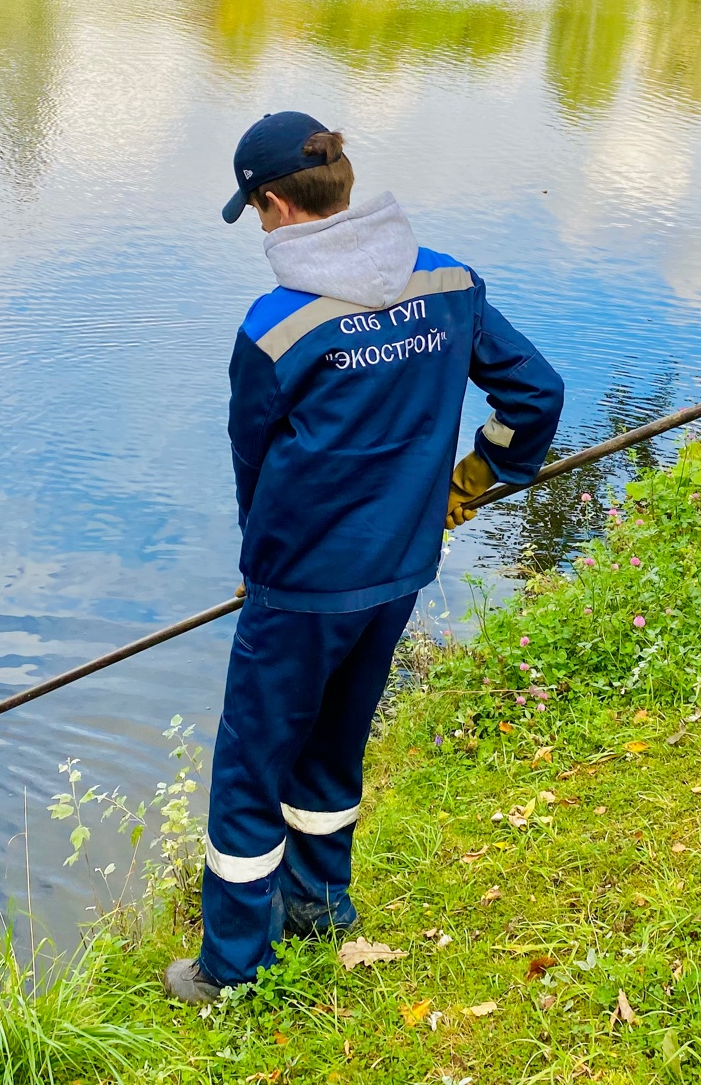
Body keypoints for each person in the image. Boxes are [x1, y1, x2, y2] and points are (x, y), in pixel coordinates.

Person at [165, 111, 565, 1001]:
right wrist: (476, 478)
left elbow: (254, 465)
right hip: (399, 574)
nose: (261, 227)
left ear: (274, 205)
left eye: (258, 213)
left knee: (248, 773)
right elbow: (535, 394)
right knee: (336, 746)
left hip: (300, 589)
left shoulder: (275, 327)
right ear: (342, 187)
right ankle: (319, 908)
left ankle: (230, 969)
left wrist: (256, 567)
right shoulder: (452, 284)